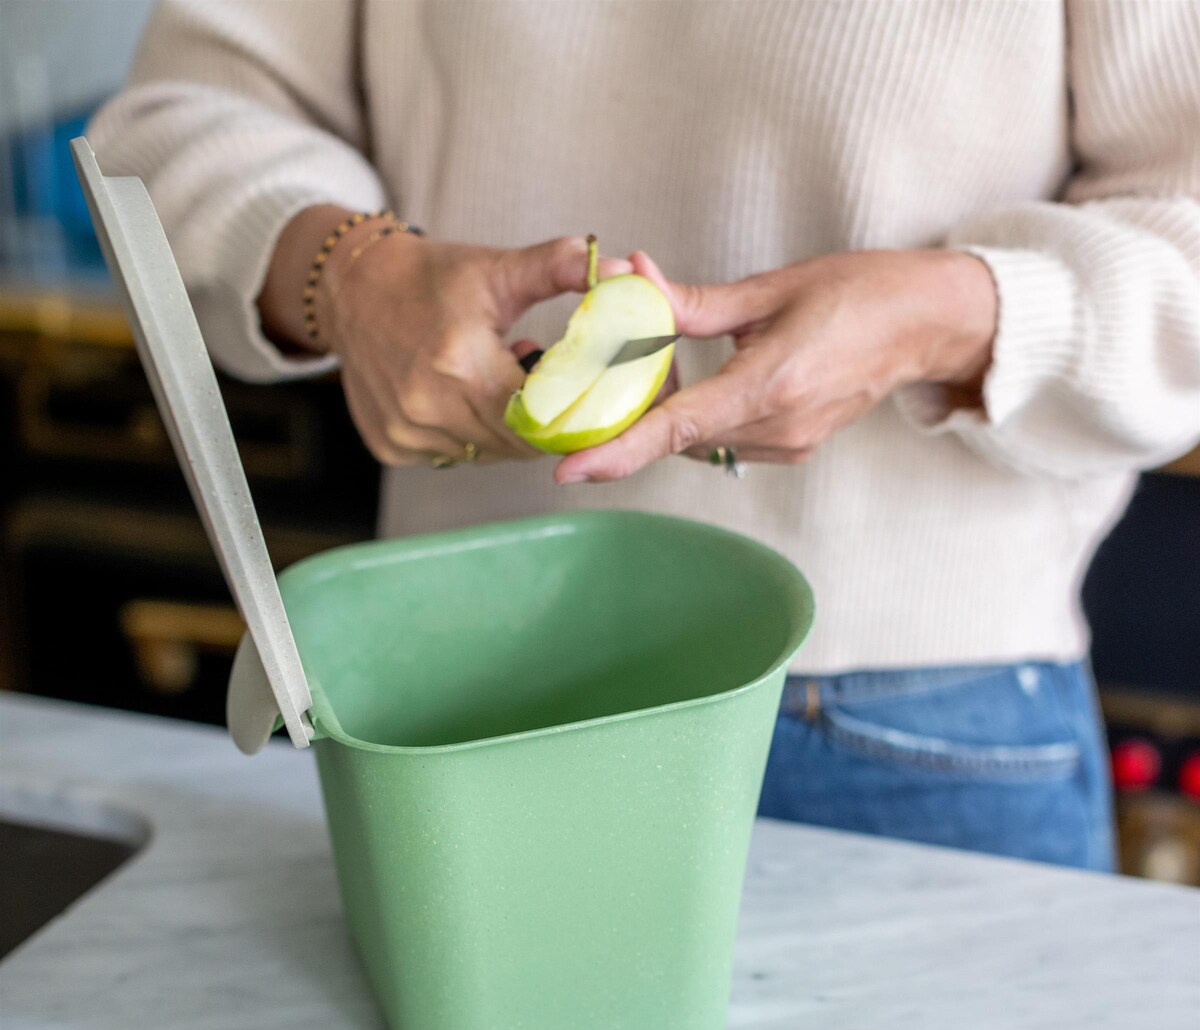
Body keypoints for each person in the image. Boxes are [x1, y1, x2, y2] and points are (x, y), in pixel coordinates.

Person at [91, 0, 1200, 871]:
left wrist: (951, 320)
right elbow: (175, 119)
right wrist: (345, 272)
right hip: (461, 682)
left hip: (921, 716)